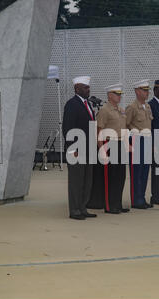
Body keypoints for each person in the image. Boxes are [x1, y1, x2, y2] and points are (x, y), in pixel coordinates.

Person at [62, 76, 97, 220]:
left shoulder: (88, 104)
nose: (88, 90)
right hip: (76, 149)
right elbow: (68, 128)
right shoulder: (72, 104)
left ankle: (83, 207)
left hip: (89, 149)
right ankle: (74, 210)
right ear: (77, 89)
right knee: (76, 181)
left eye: (88, 87)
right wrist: (72, 149)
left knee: (87, 181)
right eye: (85, 87)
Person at [96, 84, 130, 214]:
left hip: (120, 144)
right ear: (110, 95)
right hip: (109, 144)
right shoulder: (104, 110)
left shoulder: (120, 110)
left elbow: (124, 129)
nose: (119, 96)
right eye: (117, 94)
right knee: (110, 177)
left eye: (120, 94)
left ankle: (118, 203)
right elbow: (99, 130)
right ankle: (109, 206)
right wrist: (102, 150)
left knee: (120, 176)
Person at [126, 80, 154, 209]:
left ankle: (141, 197)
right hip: (137, 141)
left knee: (144, 171)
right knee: (136, 172)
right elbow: (125, 125)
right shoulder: (132, 107)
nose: (147, 92)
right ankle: (136, 200)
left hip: (147, 141)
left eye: (148, 90)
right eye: (144, 90)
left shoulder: (147, 107)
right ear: (137, 91)